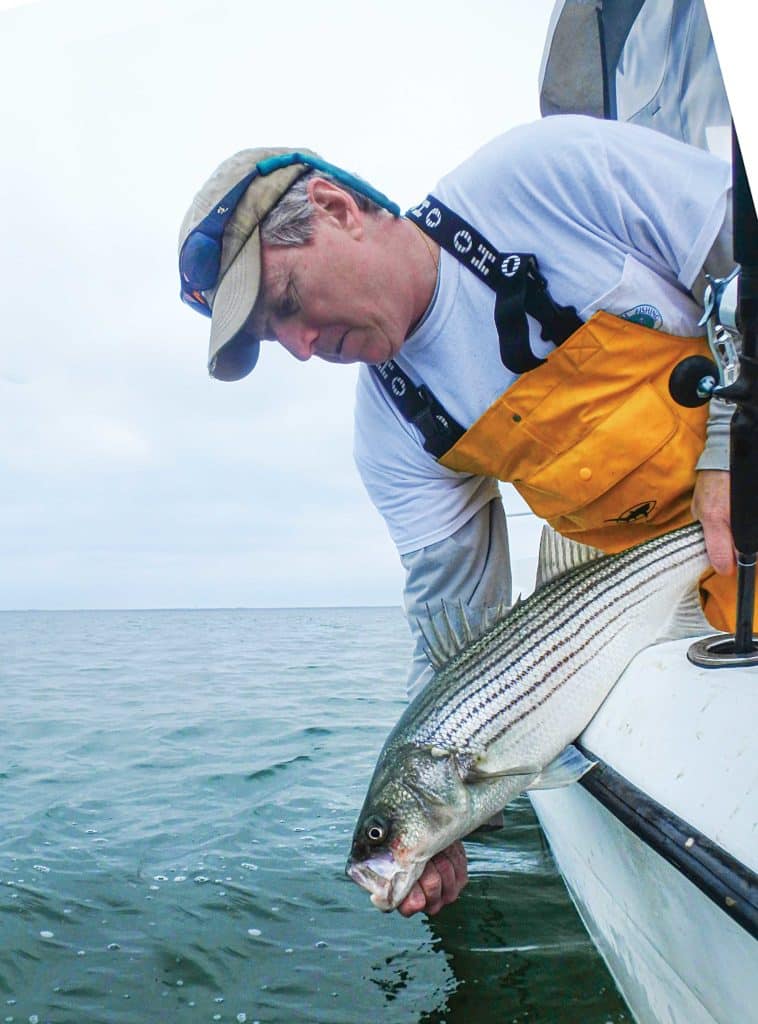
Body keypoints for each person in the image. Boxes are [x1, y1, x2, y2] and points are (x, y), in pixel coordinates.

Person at [178, 114, 743, 918]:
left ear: (336, 206)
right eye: (276, 339)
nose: (301, 348)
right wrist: (440, 828)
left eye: (287, 301)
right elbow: (455, 634)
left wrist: (733, 434)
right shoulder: (393, 428)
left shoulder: (545, 179)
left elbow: (742, 250)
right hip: (685, 599)